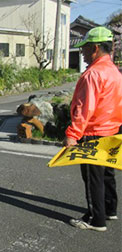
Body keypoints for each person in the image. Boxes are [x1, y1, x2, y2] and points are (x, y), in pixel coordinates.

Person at [63, 27, 122, 232]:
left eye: (85, 48)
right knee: (107, 174)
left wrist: (72, 135)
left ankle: (95, 220)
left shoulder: (93, 74)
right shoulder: (114, 71)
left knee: (92, 178)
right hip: (112, 131)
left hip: (92, 133)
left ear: (95, 48)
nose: (82, 53)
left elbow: (84, 108)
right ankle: (109, 209)